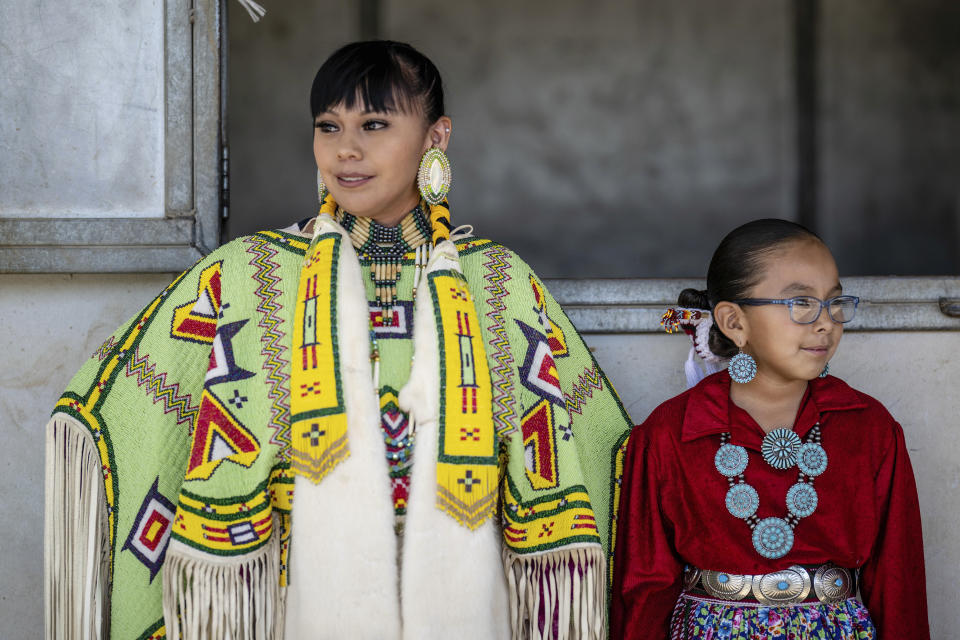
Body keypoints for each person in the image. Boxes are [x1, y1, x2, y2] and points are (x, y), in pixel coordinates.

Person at [44, 41, 632, 639]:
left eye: (375, 124)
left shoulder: (497, 280)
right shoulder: (252, 272)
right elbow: (127, 409)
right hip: (290, 602)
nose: (346, 149)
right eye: (329, 126)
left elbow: (588, 443)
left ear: (437, 137)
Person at [610, 219, 929, 639]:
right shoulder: (670, 433)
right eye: (800, 303)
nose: (826, 323)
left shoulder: (869, 428)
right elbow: (643, 589)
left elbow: (898, 582)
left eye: (834, 303)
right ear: (734, 322)